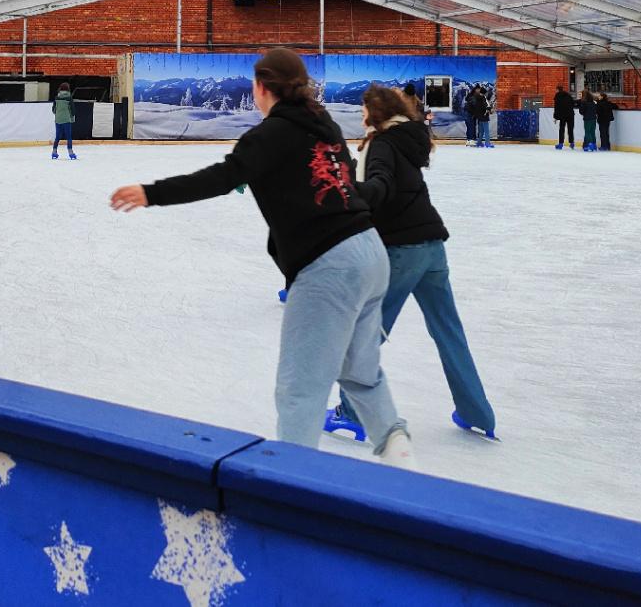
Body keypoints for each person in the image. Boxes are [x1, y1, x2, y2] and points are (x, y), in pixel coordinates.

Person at [110, 48, 414, 467]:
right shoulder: (323, 124)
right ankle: (399, 454)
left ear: (260, 88)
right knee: (360, 371)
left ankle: (292, 487)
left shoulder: (272, 133)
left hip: (329, 264)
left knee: (300, 389)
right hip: (370, 252)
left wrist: (152, 193)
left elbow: (221, 177)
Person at [329, 85, 496, 441]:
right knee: (449, 331)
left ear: (376, 113)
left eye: (363, 111)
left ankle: (353, 412)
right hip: (433, 249)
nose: (360, 117)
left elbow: (380, 186)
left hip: (401, 252)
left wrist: (347, 190)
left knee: (365, 332)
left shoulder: (383, 144)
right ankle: (476, 411)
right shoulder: (409, 139)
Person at [51, 83, 76, 160]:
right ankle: (70, 152)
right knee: (68, 136)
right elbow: (72, 110)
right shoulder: (69, 98)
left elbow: (53, 109)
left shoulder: (57, 98)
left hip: (58, 119)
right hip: (66, 119)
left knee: (57, 137)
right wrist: (72, 119)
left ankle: (54, 152)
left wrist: (57, 114)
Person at [552, 85, 575, 150]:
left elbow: (557, 107)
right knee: (570, 128)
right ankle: (571, 142)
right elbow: (572, 104)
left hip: (562, 115)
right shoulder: (568, 95)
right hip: (570, 114)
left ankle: (561, 143)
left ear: (557, 90)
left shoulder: (558, 96)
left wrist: (555, 117)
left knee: (562, 129)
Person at [577, 87, 598, 151]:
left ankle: (590, 144)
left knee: (587, 132)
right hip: (594, 118)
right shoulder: (593, 103)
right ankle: (594, 144)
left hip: (587, 119)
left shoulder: (584, 102)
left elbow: (581, 111)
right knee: (592, 132)